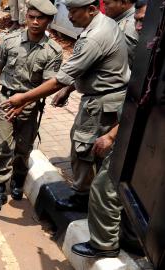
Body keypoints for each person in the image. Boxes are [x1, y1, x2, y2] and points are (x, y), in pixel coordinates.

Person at [1, 0, 130, 212]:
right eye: (68, 11)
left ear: (91, 9)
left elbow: (59, 78)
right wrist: (68, 90)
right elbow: (87, 69)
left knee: (84, 150)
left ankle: (83, 200)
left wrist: (24, 98)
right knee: (89, 150)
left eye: (73, 11)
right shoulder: (105, 24)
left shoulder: (94, 37)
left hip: (100, 103)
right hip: (103, 99)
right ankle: (88, 197)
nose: (69, 16)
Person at [71, 0, 147, 258]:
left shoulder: (139, 44)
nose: (139, 26)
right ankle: (129, 237)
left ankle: (106, 245)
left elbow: (136, 94)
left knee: (107, 184)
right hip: (129, 115)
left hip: (130, 119)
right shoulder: (136, 38)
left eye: (144, 21)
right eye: (137, 20)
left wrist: (113, 134)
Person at [0, 0, 63, 213]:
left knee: (23, 148)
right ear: (26, 17)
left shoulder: (52, 51)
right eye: (32, 17)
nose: (35, 22)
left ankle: (18, 181)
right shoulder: (10, 41)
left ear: (49, 21)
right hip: (6, 100)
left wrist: (25, 102)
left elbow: (48, 85)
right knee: (2, 144)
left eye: (41, 18)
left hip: (30, 106)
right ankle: (0, 188)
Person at [103, 0, 138, 65]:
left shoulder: (129, 26)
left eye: (107, 4)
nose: (104, 8)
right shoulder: (119, 19)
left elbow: (121, 63)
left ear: (123, 3)